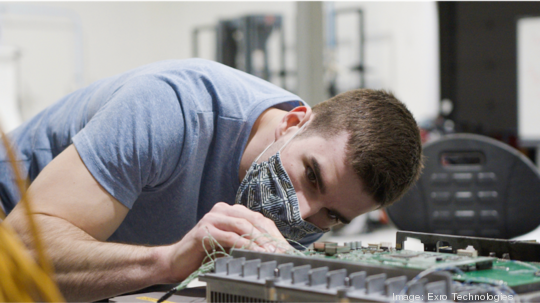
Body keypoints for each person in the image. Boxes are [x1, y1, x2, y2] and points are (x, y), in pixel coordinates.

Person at [0, 58, 423, 302]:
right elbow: (18, 253)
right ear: (293, 121)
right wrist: (164, 262)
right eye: (310, 177)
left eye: (331, 214)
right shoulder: (172, 110)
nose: (302, 211)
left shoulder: (315, 208)